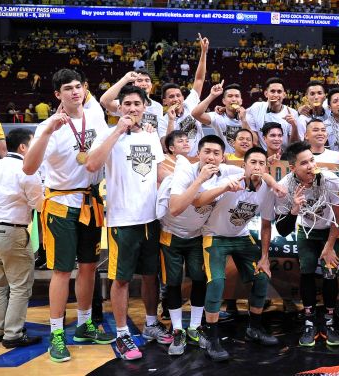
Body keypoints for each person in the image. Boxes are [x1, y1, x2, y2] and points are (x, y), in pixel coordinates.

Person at [23, 68, 113, 363]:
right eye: (68, 89)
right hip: (61, 202)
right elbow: (28, 168)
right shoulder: (48, 126)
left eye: (78, 87)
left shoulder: (95, 115)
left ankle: (85, 324)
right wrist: (48, 130)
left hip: (90, 200)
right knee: (62, 271)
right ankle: (57, 333)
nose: (75, 92)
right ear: (57, 95)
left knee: (89, 267)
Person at [85, 85, 171, 361]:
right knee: (121, 279)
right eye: (127, 104)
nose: (132, 108)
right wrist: (118, 131)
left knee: (151, 275)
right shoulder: (109, 136)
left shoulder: (152, 136)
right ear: (119, 108)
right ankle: (122, 334)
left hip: (151, 218)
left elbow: (159, 173)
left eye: (137, 104)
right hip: (123, 220)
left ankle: (149, 323)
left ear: (145, 107)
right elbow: (92, 165)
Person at [193, 144, 279, 361]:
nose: (257, 167)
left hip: (240, 236)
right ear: (244, 166)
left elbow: (266, 224)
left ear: (266, 166)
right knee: (217, 283)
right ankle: (212, 338)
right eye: (253, 162)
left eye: (261, 163)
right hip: (214, 235)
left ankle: (254, 328)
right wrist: (223, 189)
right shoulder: (230, 181)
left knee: (262, 276)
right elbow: (198, 201)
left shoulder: (267, 190)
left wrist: (265, 257)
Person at [274, 141, 339, 347]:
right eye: (304, 163)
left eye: (312, 160)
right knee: (306, 272)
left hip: (333, 229)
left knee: (330, 273)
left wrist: (330, 245)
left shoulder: (330, 179)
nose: (310, 166)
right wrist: (294, 210)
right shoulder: (286, 186)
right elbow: (283, 229)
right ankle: (309, 321)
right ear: (292, 167)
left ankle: (330, 321)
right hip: (307, 230)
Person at [157, 137, 222, 356]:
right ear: (199, 153)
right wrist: (201, 178)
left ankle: (194, 327)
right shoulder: (186, 169)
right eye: (207, 151)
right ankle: (177, 329)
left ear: (222, 157)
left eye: (216, 153)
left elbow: (248, 173)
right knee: (173, 282)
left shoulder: (223, 175)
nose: (211, 157)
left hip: (196, 235)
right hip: (171, 234)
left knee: (198, 278)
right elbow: (175, 208)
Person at [0, 128, 43, 348]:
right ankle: (13, 334)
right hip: (12, 231)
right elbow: (39, 204)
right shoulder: (27, 169)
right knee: (20, 286)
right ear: (23, 147)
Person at [159, 34, 209, 157]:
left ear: (182, 97)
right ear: (165, 101)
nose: (176, 99)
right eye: (171, 97)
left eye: (178, 95)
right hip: (177, 164)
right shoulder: (163, 120)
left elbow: (199, 79)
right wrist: (171, 120)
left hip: (198, 160)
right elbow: (166, 147)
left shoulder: (189, 104)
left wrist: (203, 52)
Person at [100, 69, 166, 139]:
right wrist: (125, 79)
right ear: (133, 84)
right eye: (139, 80)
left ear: (151, 85)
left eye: (147, 80)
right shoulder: (126, 103)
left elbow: (160, 130)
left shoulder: (158, 107)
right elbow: (104, 101)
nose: (144, 83)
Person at [191, 82, 251, 152]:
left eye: (237, 96)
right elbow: (195, 114)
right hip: (224, 160)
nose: (234, 99)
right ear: (224, 101)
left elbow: (253, 142)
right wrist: (212, 95)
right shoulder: (217, 117)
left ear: (241, 101)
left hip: (244, 159)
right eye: (230, 96)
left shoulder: (250, 117)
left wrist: (244, 120)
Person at [245, 77, 301, 149]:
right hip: (262, 156)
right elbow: (240, 112)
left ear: (284, 95)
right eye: (272, 91)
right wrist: (225, 109)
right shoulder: (256, 107)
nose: (276, 95)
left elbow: (295, 146)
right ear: (266, 94)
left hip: (283, 157)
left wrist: (294, 126)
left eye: (279, 92)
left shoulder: (292, 113)